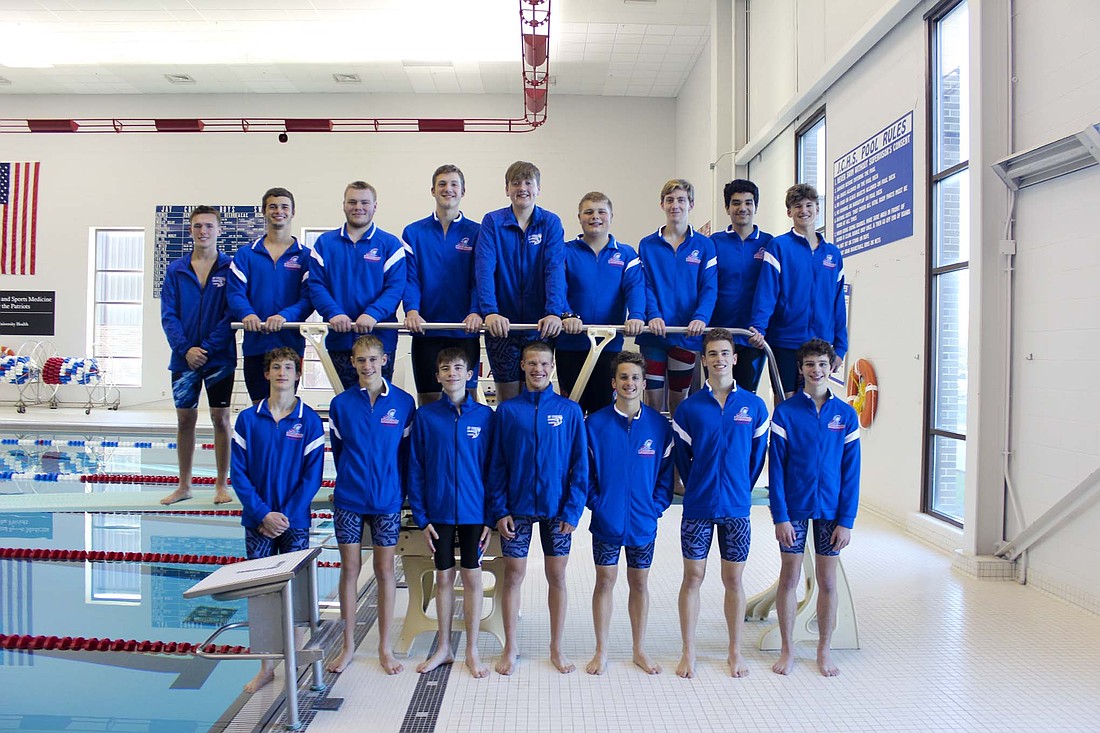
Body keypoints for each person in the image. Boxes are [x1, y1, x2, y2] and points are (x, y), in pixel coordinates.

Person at [671, 328, 769, 678]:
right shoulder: (689, 408)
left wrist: (741, 486)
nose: (719, 359)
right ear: (704, 360)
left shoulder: (754, 406)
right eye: (712, 354)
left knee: (733, 580)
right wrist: (697, 483)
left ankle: (735, 651)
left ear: (735, 358)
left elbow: (758, 457)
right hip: (698, 505)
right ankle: (689, 651)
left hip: (736, 509)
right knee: (692, 576)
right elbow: (682, 458)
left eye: (725, 353)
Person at [487, 340, 587, 675]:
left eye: (544, 364)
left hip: (558, 512)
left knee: (556, 577)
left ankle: (556, 649)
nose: (538, 370)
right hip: (516, 510)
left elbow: (580, 466)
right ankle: (510, 647)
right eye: (531, 363)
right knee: (513, 576)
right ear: (522, 367)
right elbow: (497, 464)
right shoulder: (508, 411)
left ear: (552, 367)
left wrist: (573, 511)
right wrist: (499, 510)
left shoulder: (569, 411)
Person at [230, 347, 325, 693]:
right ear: (266, 374)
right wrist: (261, 513)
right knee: (261, 594)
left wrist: (285, 516)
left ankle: (293, 664)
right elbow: (238, 474)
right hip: (257, 521)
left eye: (288, 367)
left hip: (294, 521)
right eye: (276, 367)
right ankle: (267, 667)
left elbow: (312, 476)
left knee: (295, 592)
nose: (282, 372)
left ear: (298, 374)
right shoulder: (248, 419)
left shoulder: (309, 419)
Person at [768, 338, 860, 677]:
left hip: (832, 511)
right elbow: (775, 469)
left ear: (832, 366)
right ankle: (788, 649)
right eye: (810, 364)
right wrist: (780, 516)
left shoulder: (845, 415)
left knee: (828, 581)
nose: (816, 370)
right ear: (801, 369)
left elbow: (852, 473)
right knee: (790, 577)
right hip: (794, 508)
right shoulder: (786, 413)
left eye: (822, 364)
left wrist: (846, 520)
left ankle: (824, 650)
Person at [326, 335, 416, 675]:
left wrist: (403, 492)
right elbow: (338, 449)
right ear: (352, 362)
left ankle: (384, 647)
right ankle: (347, 645)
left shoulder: (404, 403)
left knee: (384, 571)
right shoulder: (341, 404)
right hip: (349, 498)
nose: (367, 366)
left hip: (388, 500)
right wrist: (348, 478)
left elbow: (406, 455)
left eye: (373, 359)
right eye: (361, 360)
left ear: (385, 360)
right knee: (349, 570)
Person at [407, 347, 496, 678]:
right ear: (437, 376)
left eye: (459, 368)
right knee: (443, 577)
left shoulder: (486, 418)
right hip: (440, 512)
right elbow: (415, 469)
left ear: (470, 374)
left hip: (475, 513)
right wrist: (422, 517)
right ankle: (444, 647)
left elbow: (494, 470)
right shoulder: (426, 417)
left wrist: (490, 516)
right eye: (445, 368)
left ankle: (471, 650)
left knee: (472, 578)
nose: (452, 373)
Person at [583, 350, 673, 676]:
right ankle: (601, 650)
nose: (629, 383)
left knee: (639, 583)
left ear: (644, 382)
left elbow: (666, 475)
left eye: (635, 377)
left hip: (643, 524)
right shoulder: (595, 424)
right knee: (604, 582)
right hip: (606, 521)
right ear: (613, 382)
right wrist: (599, 503)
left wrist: (655, 508)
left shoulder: (659, 426)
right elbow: (585, 474)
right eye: (623, 377)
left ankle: (639, 649)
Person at [159, 205, 235, 506]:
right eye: (197, 226)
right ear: (190, 230)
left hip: (219, 357)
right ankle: (184, 485)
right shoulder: (176, 270)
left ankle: (220, 484)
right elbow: (168, 315)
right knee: (184, 420)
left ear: (219, 230)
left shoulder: (230, 269)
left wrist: (207, 348)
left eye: (209, 226)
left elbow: (232, 312)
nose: (203, 231)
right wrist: (186, 349)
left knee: (221, 418)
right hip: (183, 358)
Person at [474, 161, 567, 403]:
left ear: (538, 189)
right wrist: (490, 312)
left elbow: (554, 269)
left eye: (528, 183)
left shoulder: (550, 222)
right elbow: (484, 269)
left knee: (536, 394)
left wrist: (554, 312)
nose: (522, 188)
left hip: (540, 325)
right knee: (508, 398)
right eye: (516, 183)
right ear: (507, 189)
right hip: (502, 325)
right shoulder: (492, 222)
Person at [748, 184, 847, 399]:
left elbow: (838, 303)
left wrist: (840, 347)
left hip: (820, 343)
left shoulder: (832, 255)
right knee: (786, 400)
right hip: (784, 340)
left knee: (813, 401)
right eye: (797, 206)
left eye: (809, 205)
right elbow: (767, 292)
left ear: (818, 208)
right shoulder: (779, 247)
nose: (804, 210)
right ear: (789, 212)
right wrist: (758, 327)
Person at [309, 181, 406, 389]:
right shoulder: (325, 244)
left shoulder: (390, 244)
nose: (358, 207)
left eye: (364, 202)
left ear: (375, 206)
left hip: (380, 340)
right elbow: (316, 285)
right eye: (352, 202)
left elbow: (395, 288)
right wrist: (334, 313)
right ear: (343, 205)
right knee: (346, 401)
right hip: (340, 339)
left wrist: (373, 314)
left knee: (379, 401)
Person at [557, 192, 646, 415]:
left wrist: (636, 315)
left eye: (601, 212)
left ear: (611, 216)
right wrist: (567, 315)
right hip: (571, 345)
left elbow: (635, 288)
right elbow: (557, 289)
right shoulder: (565, 251)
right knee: (572, 409)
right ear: (579, 217)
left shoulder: (626, 254)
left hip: (608, 347)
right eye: (588, 212)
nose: (595, 217)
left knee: (603, 411)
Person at [402, 165, 483, 405]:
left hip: (465, 331)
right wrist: (412, 310)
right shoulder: (414, 232)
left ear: (463, 191)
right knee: (427, 401)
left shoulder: (477, 232)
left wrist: (476, 311)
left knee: (465, 401)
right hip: (426, 331)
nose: (448, 189)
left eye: (454, 184)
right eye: (442, 184)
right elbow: (410, 277)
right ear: (433, 190)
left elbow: (480, 278)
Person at [636, 178, 718, 416]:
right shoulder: (648, 245)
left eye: (681, 200)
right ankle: (655, 451)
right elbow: (645, 285)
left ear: (690, 204)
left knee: (679, 401)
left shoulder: (704, 245)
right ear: (662, 204)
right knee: (652, 399)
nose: (675, 205)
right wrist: (653, 316)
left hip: (686, 334)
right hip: (654, 335)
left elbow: (709, 287)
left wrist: (701, 317)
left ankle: (677, 451)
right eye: (670, 200)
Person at [227, 187, 313, 403]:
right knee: (259, 409)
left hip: (290, 344)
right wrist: (247, 314)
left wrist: (285, 316)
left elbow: (308, 298)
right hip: (256, 344)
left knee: (286, 406)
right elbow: (235, 292)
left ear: (293, 212)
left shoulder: (305, 256)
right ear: (263, 211)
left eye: (284, 207)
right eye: (272, 206)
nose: (279, 211)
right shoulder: (247, 254)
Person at [709, 179, 773, 392]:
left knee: (746, 394)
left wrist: (761, 326)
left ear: (755, 206)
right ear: (727, 208)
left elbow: (773, 289)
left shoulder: (770, 243)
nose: (742, 208)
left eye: (748, 202)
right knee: (717, 391)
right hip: (719, 332)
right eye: (736, 203)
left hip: (753, 335)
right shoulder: (714, 242)